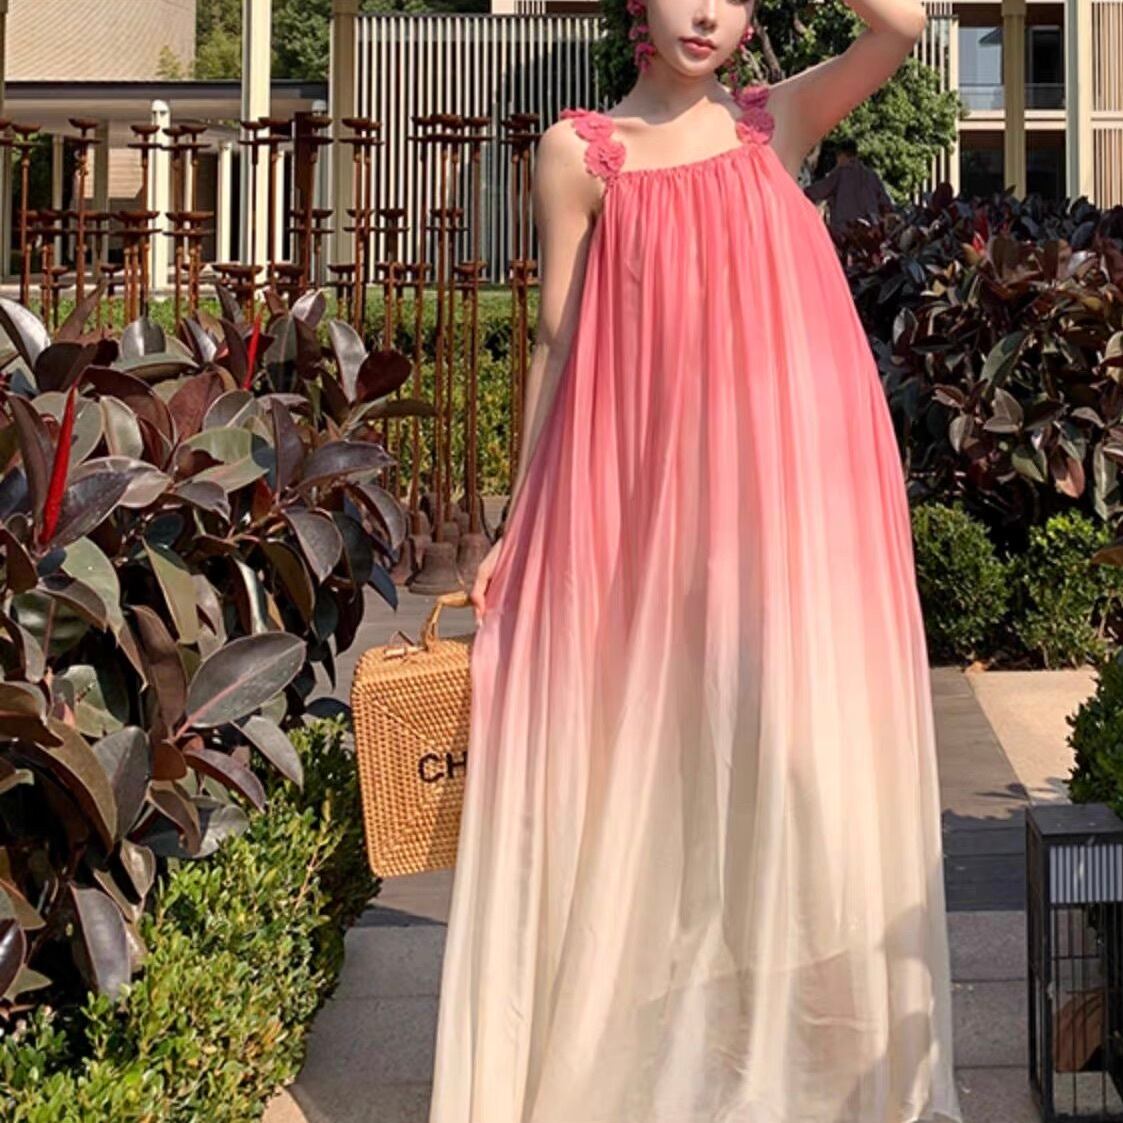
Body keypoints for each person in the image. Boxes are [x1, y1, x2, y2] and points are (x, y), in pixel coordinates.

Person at [427, 0, 965, 1115]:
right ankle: (649, 1042)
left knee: (798, 764)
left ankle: (799, 1045)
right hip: (648, 504)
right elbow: (557, 342)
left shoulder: (778, 122)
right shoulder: (580, 154)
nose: (706, 12)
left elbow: (899, 31)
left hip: (793, 504)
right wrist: (515, 522)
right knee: (648, 752)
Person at [804, 135, 894, 234]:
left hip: (847, 230)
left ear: (841, 155)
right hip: (872, 231)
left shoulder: (840, 173)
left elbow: (818, 191)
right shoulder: (872, 175)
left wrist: (799, 191)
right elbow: (886, 204)